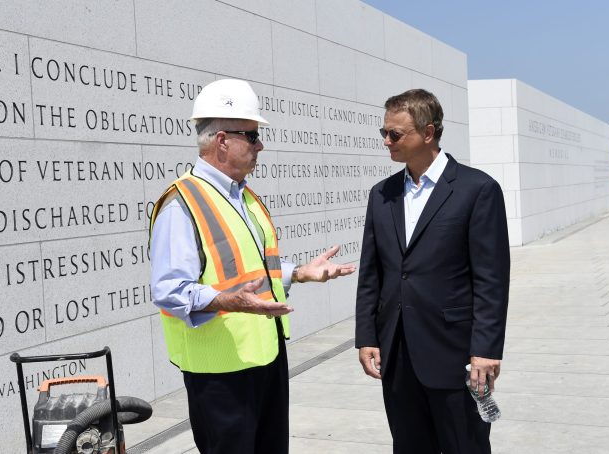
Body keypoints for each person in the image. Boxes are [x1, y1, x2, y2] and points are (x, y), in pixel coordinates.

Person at [150, 78, 355, 454]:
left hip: (267, 358)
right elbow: (168, 290)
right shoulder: (182, 204)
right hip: (221, 374)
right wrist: (228, 301)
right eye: (253, 135)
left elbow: (254, 268)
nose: (261, 145)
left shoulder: (244, 196)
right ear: (222, 140)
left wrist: (300, 273)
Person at [355, 89, 510, 454]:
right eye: (384, 133)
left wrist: (485, 350)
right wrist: (367, 336)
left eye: (395, 134)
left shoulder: (478, 190)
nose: (387, 142)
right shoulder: (382, 194)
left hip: (455, 354)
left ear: (427, 133)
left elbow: (491, 280)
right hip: (397, 354)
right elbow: (371, 273)